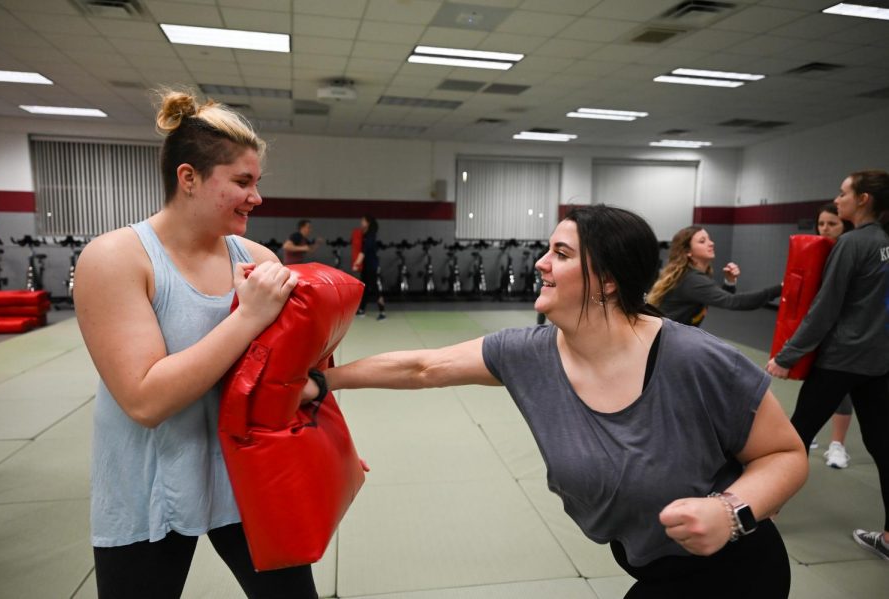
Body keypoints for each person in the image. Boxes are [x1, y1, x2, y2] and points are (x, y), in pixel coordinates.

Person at [306, 205, 808, 598]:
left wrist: (730, 512)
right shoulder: (529, 354)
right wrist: (323, 382)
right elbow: (423, 367)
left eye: (562, 254)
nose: (541, 263)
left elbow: (785, 455)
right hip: (650, 567)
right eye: (548, 250)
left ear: (608, 281)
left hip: (737, 570)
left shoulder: (695, 359)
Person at [74, 90, 318, 598]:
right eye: (242, 182)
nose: (257, 197)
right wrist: (249, 316)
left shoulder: (255, 256)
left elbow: (279, 377)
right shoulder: (116, 259)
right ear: (189, 178)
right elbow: (146, 400)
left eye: (257, 182)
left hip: (246, 474)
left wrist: (316, 417)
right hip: (149, 485)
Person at [767, 170, 889, 562]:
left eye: (843, 193)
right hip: (879, 361)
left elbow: (825, 309)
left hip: (840, 359)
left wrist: (787, 355)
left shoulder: (854, 243)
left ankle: (761, 511)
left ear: (864, 200)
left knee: (794, 435)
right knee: (884, 444)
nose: (837, 200)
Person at [647, 226, 781, 326]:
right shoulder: (692, 280)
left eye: (709, 239)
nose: (711, 243)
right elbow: (733, 302)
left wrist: (729, 282)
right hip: (664, 341)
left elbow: (720, 299)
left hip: (671, 337)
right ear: (688, 252)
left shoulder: (695, 276)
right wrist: (781, 288)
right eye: (702, 241)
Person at [809, 203, 855, 466]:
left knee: (842, 389)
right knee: (814, 383)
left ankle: (837, 445)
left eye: (832, 224)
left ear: (843, 225)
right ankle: (809, 434)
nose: (825, 229)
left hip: (845, 333)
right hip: (818, 328)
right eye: (821, 223)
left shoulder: (847, 250)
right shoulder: (813, 250)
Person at [353, 214, 386, 320]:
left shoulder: (371, 236)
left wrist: (356, 263)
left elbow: (364, 251)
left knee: (375, 288)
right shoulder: (365, 234)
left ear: (368, 223)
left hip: (372, 266)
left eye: (363, 221)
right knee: (364, 288)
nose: (361, 222)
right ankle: (362, 310)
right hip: (366, 266)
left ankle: (382, 311)